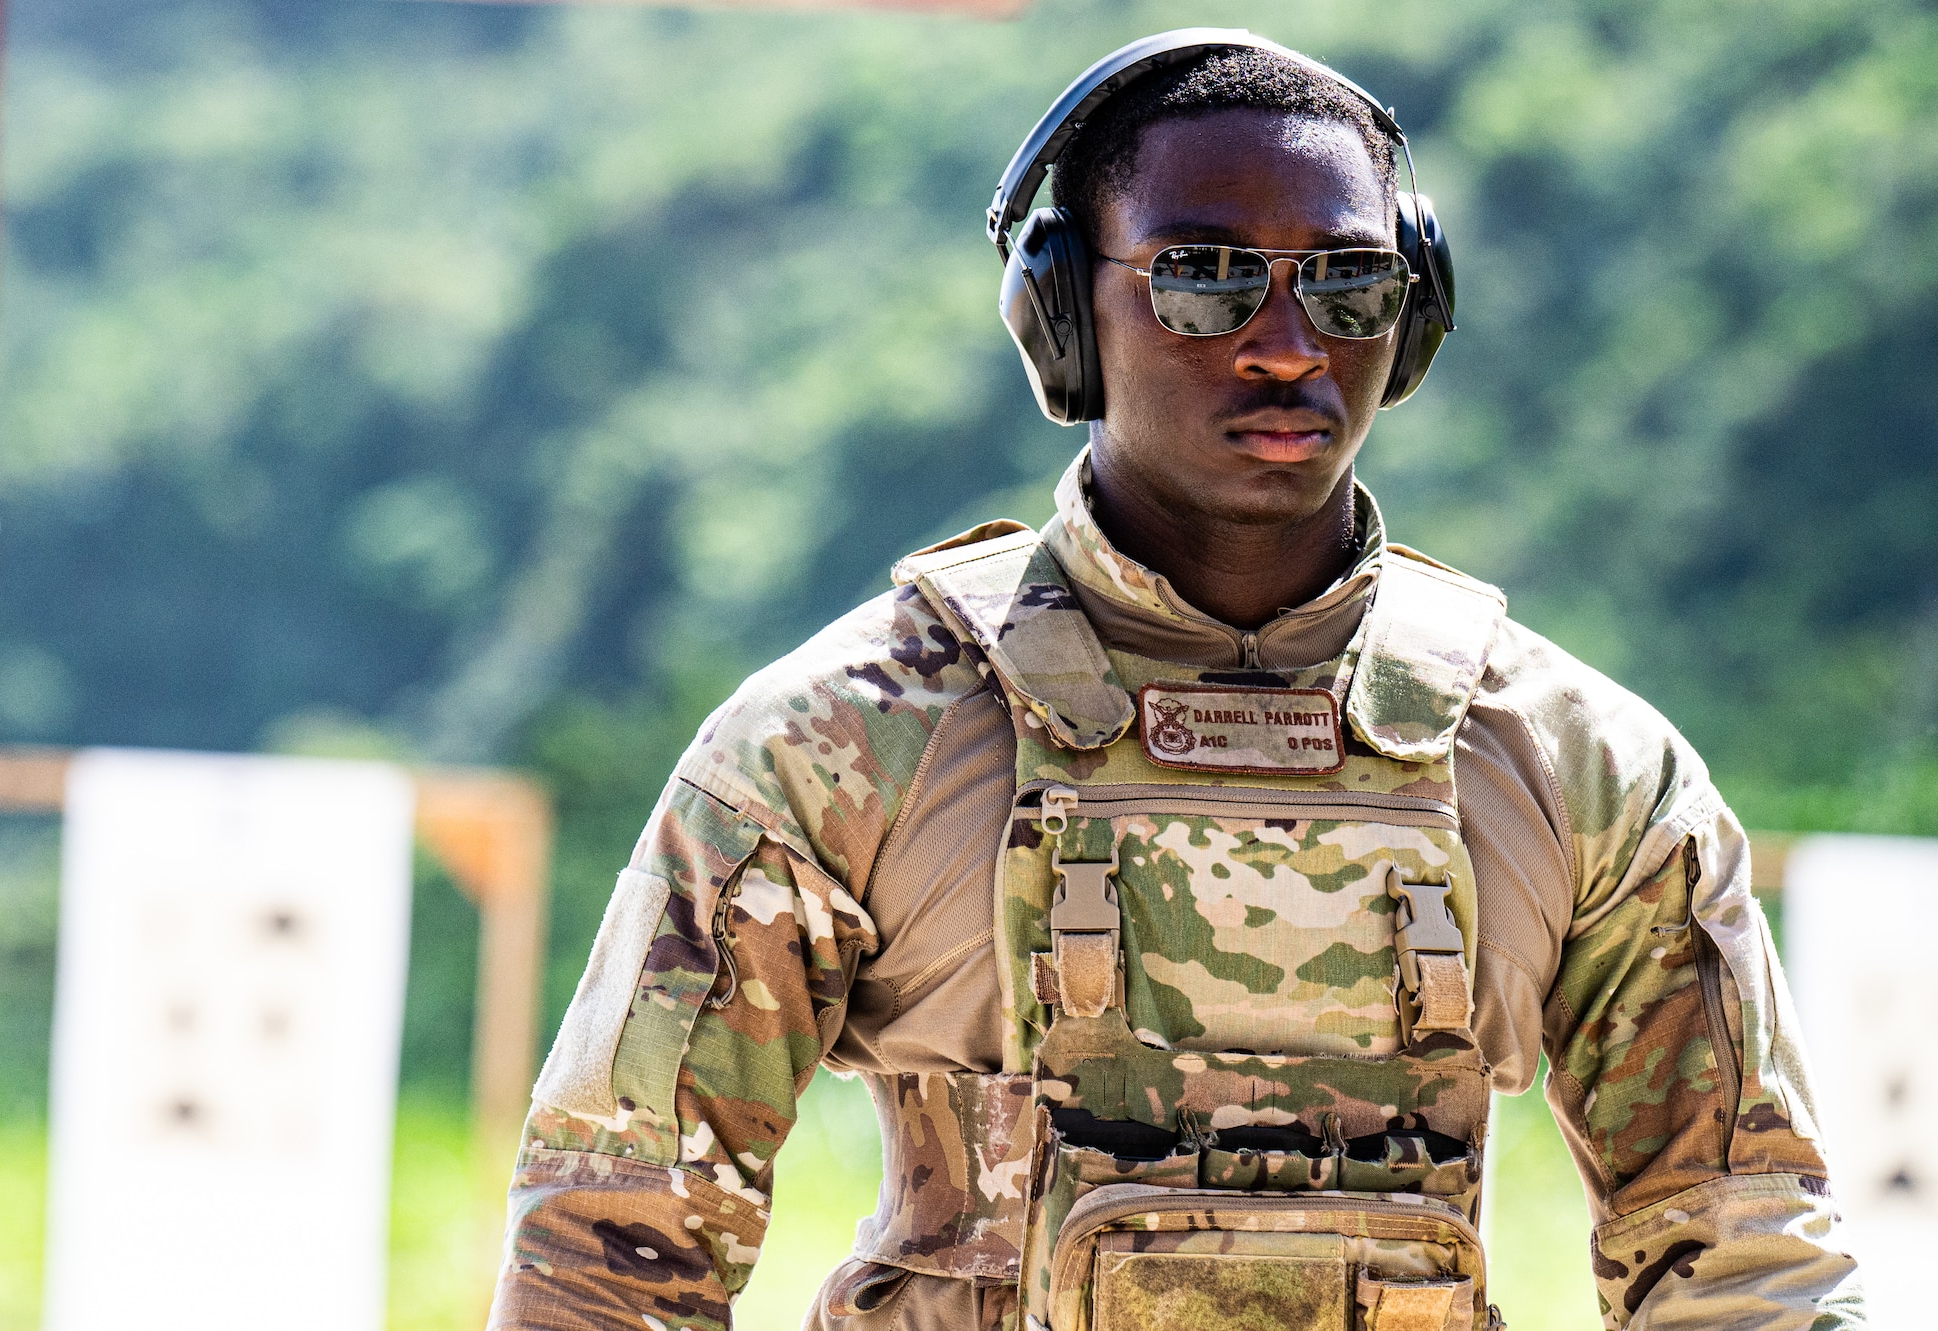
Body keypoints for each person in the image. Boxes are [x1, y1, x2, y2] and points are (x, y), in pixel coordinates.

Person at [488, 30, 1863, 1331]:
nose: (1284, 344)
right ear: (1060, 311)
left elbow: (1744, 1254)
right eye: (1203, 277)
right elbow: (610, 1250)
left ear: (1417, 313)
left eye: (1350, 284)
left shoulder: (1577, 764)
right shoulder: (850, 740)